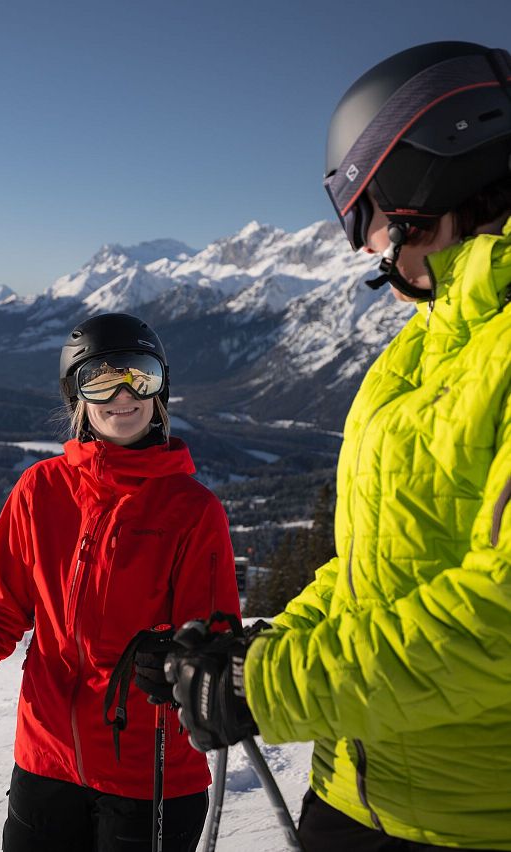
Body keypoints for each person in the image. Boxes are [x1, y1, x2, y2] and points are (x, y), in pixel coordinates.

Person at [151, 41, 511, 852]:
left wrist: (266, 686)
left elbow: (499, 618)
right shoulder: (416, 354)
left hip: (468, 821)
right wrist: (259, 648)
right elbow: (370, 573)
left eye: (371, 212)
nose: (365, 246)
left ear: (436, 170)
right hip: (351, 791)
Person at [0, 312, 241, 852]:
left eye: (140, 374)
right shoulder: (40, 491)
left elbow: (216, 641)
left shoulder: (193, 511)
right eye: (101, 379)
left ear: (161, 390)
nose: (123, 394)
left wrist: (179, 660)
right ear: (76, 397)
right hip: (45, 768)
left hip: (150, 777)